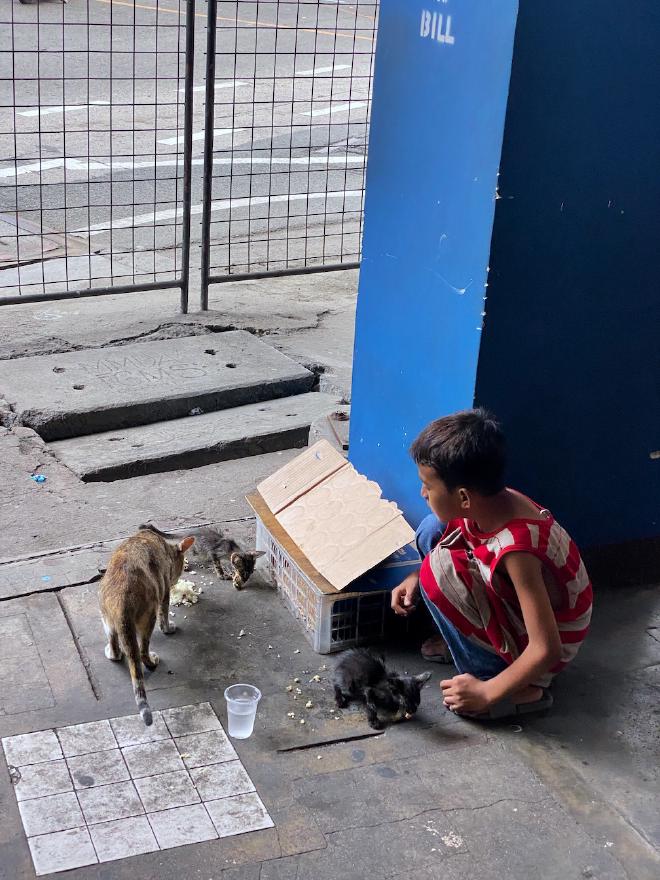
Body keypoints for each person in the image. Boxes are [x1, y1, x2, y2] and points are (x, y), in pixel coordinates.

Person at [391, 409, 592, 719]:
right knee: (432, 532)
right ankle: (473, 645)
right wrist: (415, 575)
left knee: (437, 573)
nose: (422, 493)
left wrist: (486, 694)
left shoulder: (517, 551)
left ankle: (510, 683)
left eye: (428, 486)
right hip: (515, 604)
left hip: (551, 639)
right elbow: (454, 538)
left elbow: (546, 648)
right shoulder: (489, 504)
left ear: (464, 498)